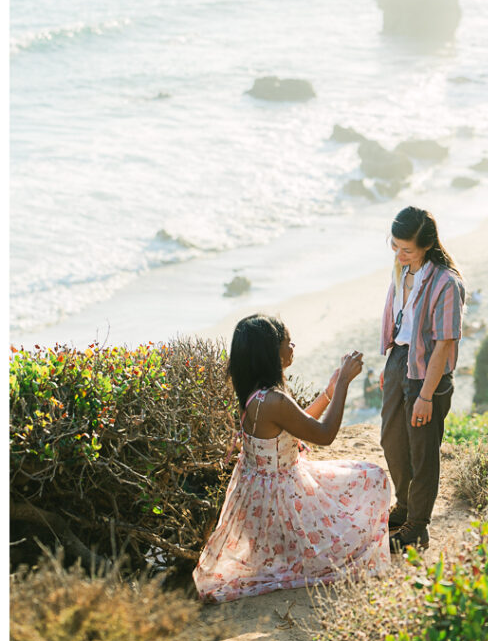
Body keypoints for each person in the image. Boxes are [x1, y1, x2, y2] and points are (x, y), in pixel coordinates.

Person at [193, 314, 391, 602]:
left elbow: (299, 424)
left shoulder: (257, 394)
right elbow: (323, 435)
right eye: (287, 342)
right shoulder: (275, 400)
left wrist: (329, 391)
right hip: (282, 503)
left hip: (260, 502)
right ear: (270, 352)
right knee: (372, 477)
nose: (293, 346)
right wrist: (346, 383)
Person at [379, 206, 465, 553]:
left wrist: (426, 395)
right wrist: (392, 368)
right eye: (395, 246)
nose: (399, 254)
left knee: (422, 452)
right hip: (401, 361)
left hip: (429, 372)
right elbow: (401, 322)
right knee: (391, 440)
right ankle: (404, 505)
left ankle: (417, 526)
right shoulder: (401, 269)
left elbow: (445, 343)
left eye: (407, 249)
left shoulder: (447, 283)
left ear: (427, 245)